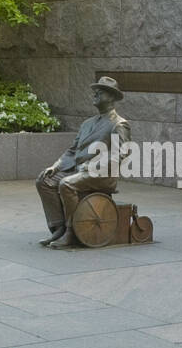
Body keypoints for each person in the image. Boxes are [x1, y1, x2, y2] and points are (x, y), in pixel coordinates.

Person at [35, 76, 130, 248]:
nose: (95, 94)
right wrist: (56, 166)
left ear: (112, 97)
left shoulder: (119, 124)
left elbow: (120, 154)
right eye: (95, 91)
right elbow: (72, 150)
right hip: (79, 170)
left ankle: (71, 232)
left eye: (100, 92)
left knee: (66, 184)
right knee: (44, 180)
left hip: (100, 174)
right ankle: (59, 227)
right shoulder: (87, 123)